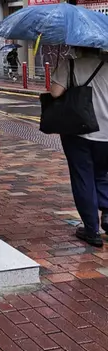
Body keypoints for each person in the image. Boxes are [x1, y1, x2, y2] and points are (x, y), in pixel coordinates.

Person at [51, 48, 108, 247]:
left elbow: (55, 93)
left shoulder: (70, 65)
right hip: (106, 135)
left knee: (83, 177)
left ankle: (91, 230)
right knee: (101, 174)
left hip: (78, 133)